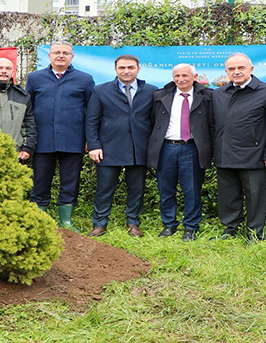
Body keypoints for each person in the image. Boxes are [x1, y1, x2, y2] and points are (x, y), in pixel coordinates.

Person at [211, 53, 266, 241]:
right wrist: (213, 152)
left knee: (256, 197)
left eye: (240, 68)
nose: (236, 72)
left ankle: (255, 233)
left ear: (251, 69)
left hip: (255, 156)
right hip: (224, 155)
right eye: (231, 69)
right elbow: (214, 125)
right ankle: (230, 229)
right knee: (228, 196)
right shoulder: (218, 94)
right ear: (226, 71)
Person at [85, 55, 157, 237]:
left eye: (130, 67)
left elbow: (156, 121)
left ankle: (133, 223)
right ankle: (100, 223)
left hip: (138, 148)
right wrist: (93, 145)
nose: (126, 71)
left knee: (137, 188)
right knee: (104, 188)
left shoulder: (151, 91)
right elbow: (92, 120)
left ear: (138, 69)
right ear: (115, 69)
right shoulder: (100, 91)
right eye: (122, 67)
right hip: (108, 148)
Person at [26, 42, 95, 228]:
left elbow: (92, 112)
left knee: (70, 181)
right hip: (42, 140)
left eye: (66, 53)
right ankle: (39, 220)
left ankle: (66, 220)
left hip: (73, 140)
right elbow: (28, 110)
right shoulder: (34, 78)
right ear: (49, 56)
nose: (61, 56)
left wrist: (89, 139)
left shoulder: (85, 79)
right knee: (40, 180)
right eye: (57, 52)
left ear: (72, 57)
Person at [147, 64, 214, 242]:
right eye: (176, 76)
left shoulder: (207, 96)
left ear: (195, 77)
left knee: (191, 189)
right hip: (166, 148)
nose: (180, 79)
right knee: (165, 188)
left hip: (192, 148)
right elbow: (152, 120)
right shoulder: (160, 95)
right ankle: (169, 224)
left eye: (185, 75)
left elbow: (212, 124)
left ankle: (190, 226)